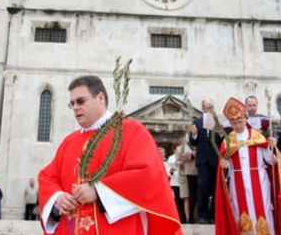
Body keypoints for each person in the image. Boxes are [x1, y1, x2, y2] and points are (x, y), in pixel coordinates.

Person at [37, 75, 181, 234]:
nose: (75, 107)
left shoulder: (130, 131)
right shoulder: (69, 142)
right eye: (72, 104)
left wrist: (98, 192)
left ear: (100, 98)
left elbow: (149, 175)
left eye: (81, 101)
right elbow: (47, 177)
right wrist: (57, 198)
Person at [215, 97, 280, 235]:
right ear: (230, 124)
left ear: (245, 119)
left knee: (263, 209)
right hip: (237, 183)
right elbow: (223, 168)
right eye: (234, 123)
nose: (238, 126)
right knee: (241, 212)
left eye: (240, 122)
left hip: (259, 181)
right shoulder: (227, 142)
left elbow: (272, 161)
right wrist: (223, 165)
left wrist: (273, 148)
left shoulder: (257, 136)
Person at [190, 99, 223, 224]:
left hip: (215, 158)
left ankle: (215, 215)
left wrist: (220, 134)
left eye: (211, 107)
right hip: (203, 159)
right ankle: (203, 215)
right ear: (203, 108)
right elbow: (192, 141)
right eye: (207, 107)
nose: (210, 109)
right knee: (202, 186)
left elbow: (224, 140)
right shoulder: (197, 122)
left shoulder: (218, 121)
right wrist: (194, 135)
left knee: (216, 187)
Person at [176, 140, 197, 224]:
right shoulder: (184, 144)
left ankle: (195, 217)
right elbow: (178, 158)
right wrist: (191, 155)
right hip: (184, 174)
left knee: (196, 197)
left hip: (197, 172)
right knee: (186, 197)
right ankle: (188, 218)